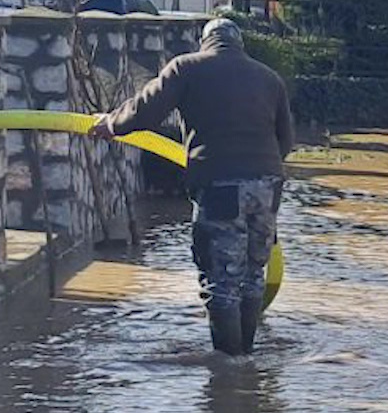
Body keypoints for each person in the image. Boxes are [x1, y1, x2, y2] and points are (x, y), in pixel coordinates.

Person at [90, 18, 294, 357]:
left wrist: (110, 124)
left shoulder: (187, 67)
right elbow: (285, 140)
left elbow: (145, 110)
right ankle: (247, 362)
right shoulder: (269, 78)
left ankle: (228, 367)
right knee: (253, 272)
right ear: (238, 43)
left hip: (220, 184)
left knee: (222, 280)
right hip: (268, 185)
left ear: (205, 42)